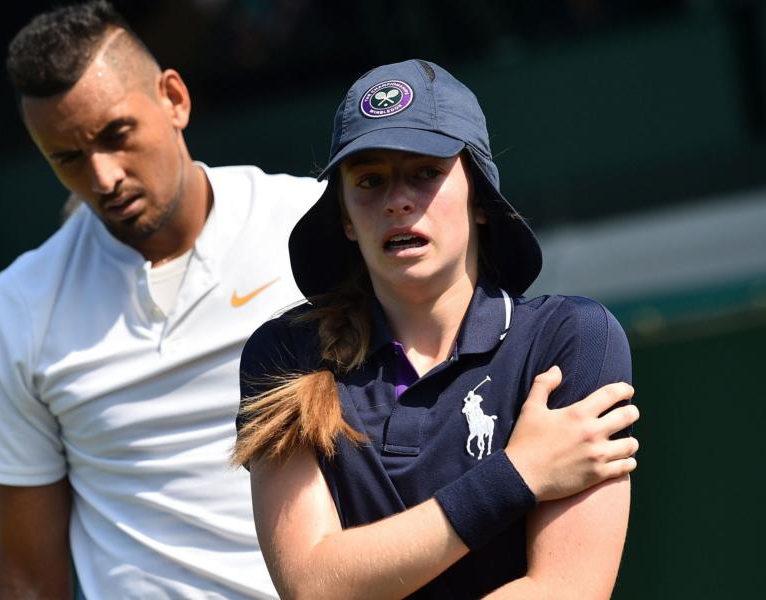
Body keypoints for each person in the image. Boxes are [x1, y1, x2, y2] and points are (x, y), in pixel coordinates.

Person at [235, 59, 639, 599]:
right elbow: (314, 587)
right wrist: (519, 474)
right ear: (346, 220)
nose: (397, 200)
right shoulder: (285, 356)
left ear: (480, 197)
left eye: (425, 172)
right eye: (370, 180)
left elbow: (567, 589)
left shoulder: (572, 339)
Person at [0, 2, 322, 598]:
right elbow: (26, 575)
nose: (103, 178)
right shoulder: (18, 307)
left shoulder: (313, 228)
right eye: (69, 158)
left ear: (174, 99)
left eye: (115, 135)